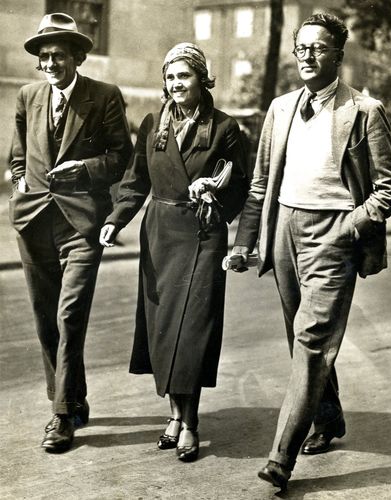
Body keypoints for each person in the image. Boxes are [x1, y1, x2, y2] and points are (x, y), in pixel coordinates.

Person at [228, 13, 391, 491]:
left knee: (310, 342)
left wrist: (347, 228)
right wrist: (245, 241)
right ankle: (328, 419)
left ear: (338, 55)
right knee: (298, 336)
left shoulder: (364, 110)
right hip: (285, 226)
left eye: (319, 48)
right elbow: (261, 183)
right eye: (300, 47)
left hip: (335, 234)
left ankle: (280, 458)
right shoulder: (280, 108)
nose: (307, 55)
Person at [100, 42, 248, 462]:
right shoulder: (153, 123)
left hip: (203, 234)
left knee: (192, 332)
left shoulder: (224, 128)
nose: (176, 83)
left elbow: (240, 186)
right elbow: (135, 180)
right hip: (160, 235)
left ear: (202, 79)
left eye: (184, 76)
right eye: (170, 77)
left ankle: (191, 422)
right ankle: (174, 416)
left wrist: (215, 196)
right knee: (164, 329)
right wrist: (116, 219)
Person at [9, 13, 133, 453]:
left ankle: (61, 417)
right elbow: (18, 153)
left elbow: (122, 157)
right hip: (33, 221)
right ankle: (72, 399)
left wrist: (85, 167)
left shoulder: (103, 96)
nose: (49, 64)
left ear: (78, 56)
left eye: (58, 55)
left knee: (69, 315)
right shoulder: (28, 96)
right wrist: (19, 180)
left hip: (81, 223)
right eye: (43, 57)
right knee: (46, 319)